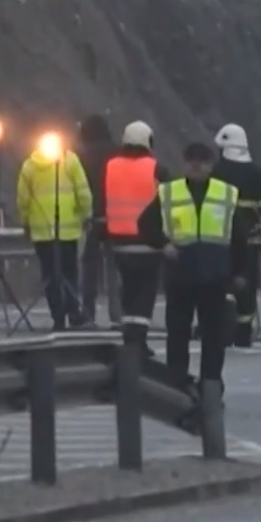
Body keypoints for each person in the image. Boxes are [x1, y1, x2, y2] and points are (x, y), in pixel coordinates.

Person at [138, 141, 248, 390]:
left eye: (202, 161)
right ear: (184, 164)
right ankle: (178, 387)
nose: (197, 165)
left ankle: (211, 386)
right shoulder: (169, 192)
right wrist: (163, 244)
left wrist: (239, 272)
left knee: (213, 337)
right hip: (181, 277)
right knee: (178, 336)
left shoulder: (226, 193)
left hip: (215, 277)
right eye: (192, 160)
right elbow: (145, 224)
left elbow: (240, 238)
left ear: (210, 165)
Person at [102, 121, 171, 352]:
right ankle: (138, 339)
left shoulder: (110, 166)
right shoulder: (156, 169)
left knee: (129, 289)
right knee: (146, 290)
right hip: (148, 242)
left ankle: (129, 336)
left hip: (118, 242)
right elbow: (171, 201)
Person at [211, 124, 261, 348]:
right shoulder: (256, 174)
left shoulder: (215, 173)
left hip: (219, 241)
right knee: (247, 286)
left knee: (218, 284)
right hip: (250, 243)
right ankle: (242, 331)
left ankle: (218, 327)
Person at [16, 131, 93, 330]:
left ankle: (57, 317)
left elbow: (22, 200)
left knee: (49, 274)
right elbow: (83, 191)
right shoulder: (70, 161)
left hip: (42, 232)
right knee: (69, 272)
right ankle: (73, 312)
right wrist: (87, 215)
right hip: (67, 231)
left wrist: (26, 222)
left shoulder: (30, 165)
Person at [75, 114, 116, 326]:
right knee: (114, 266)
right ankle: (117, 314)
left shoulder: (80, 155)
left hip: (91, 217)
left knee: (89, 266)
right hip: (116, 216)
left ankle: (88, 311)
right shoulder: (118, 153)